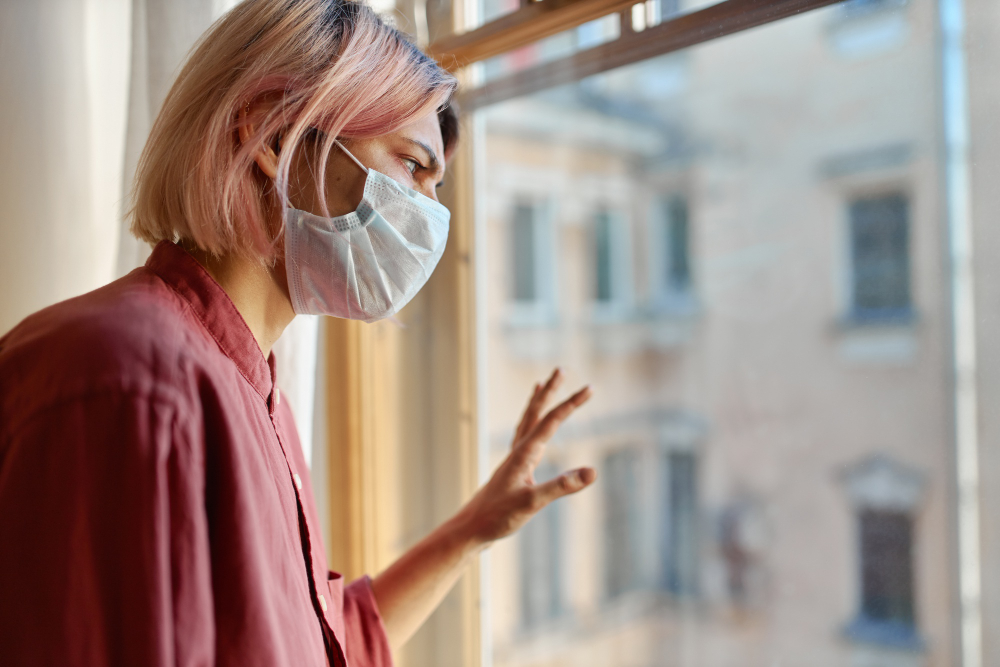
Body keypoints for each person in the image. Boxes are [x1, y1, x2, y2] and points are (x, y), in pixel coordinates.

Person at [0, 1, 596, 665]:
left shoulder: (253, 388)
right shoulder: (129, 380)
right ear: (275, 136)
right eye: (412, 165)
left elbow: (320, 639)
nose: (431, 214)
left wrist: (473, 529)